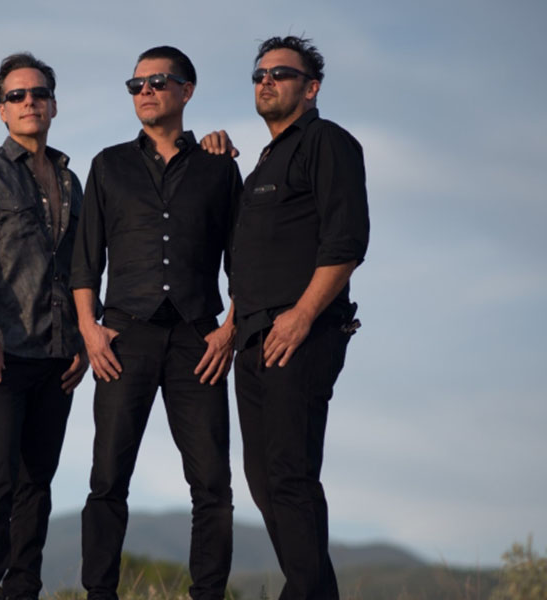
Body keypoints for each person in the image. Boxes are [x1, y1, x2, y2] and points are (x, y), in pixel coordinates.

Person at [71, 45, 241, 600]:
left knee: (212, 482)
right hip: (125, 337)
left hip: (199, 338)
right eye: (135, 84)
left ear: (186, 91)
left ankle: (208, 594)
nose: (144, 91)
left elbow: (244, 260)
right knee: (107, 478)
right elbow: (84, 260)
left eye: (157, 82)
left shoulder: (220, 166)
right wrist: (89, 329)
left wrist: (230, 329)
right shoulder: (108, 164)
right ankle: (99, 594)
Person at [227, 36, 369, 599]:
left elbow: (347, 240)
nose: (266, 80)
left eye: (281, 73)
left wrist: (303, 316)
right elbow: (251, 258)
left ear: (311, 88)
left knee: (290, 475)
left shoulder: (327, 141)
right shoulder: (264, 160)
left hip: (300, 335)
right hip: (252, 338)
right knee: (264, 481)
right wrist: (232, 326)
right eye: (259, 73)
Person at [0, 52, 88, 600]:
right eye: (16, 95)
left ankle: (23, 586)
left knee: (39, 479)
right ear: (2, 110)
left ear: (53, 105)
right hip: (1, 349)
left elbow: (82, 267)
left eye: (38, 94)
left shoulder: (72, 180)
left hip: (59, 352)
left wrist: (82, 338)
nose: (29, 102)